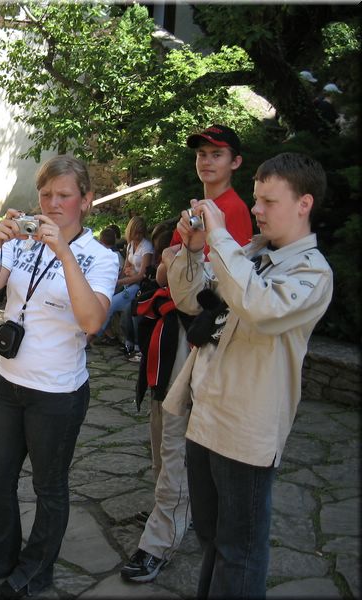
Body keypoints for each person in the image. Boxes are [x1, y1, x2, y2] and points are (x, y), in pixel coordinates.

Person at [161, 152, 332, 598]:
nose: (256, 210)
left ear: (304, 204)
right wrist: (193, 249)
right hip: (205, 417)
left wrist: (219, 237)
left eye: (268, 201)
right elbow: (191, 301)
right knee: (212, 543)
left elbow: (261, 308)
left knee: (240, 551)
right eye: (255, 199)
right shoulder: (251, 252)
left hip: (246, 432)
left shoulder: (314, 273)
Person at [0, 155, 119, 599]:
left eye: (64, 195)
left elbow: (91, 322)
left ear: (86, 201)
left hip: (58, 391)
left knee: (49, 487)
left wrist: (63, 252)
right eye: (46, 194)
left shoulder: (100, 257)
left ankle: (36, 569)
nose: (53, 202)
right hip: (11, 382)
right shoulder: (21, 244)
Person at [122, 123, 253, 583]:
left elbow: (201, 295)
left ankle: (159, 540)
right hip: (170, 336)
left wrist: (174, 271)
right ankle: (169, 510)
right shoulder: (200, 210)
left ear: (235, 162)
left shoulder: (232, 213)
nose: (206, 160)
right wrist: (173, 271)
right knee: (162, 431)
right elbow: (163, 275)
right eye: (201, 152)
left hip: (194, 338)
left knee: (175, 438)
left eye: (217, 153)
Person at [95, 216, 153, 359]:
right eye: (135, 233)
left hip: (140, 286)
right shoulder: (130, 245)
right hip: (128, 282)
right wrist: (119, 279)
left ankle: (94, 333)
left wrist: (121, 281)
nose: (137, 236)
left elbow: (142, 275)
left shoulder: (147, 248)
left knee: (112, 305)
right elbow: (126, 267)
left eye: (140, 233)